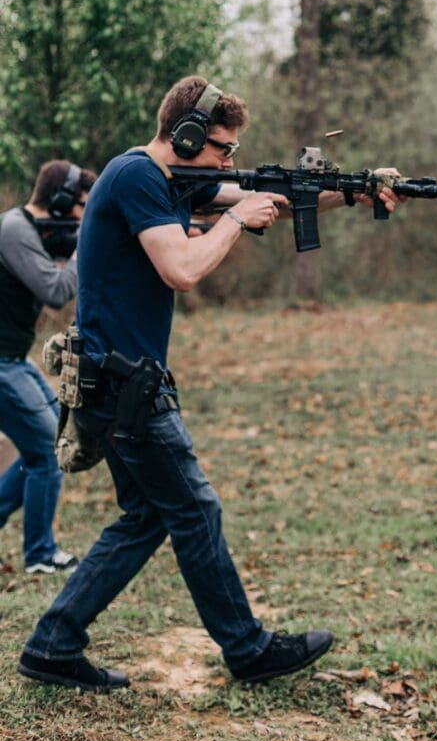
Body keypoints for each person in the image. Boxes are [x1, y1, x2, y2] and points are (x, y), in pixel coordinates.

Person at [18, 75, 402, 693]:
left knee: (146, 517)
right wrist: (234, 222)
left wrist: (354, 193)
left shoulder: (169, 182)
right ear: (187, 135)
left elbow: (268, 197)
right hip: (125, 384)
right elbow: (182, 268)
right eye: (222, 148)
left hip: (116, 379)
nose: (230, 161)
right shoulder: (137, 176)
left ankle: (53, 643)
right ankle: (247, 650)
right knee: (195, 510)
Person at [0, 160, 95, 574]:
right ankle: (40, 554)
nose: (85, 218)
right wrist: (87, 246)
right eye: (83, 208)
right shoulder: (14, 230)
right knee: (45, 451)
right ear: (59, 203)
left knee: (48, 447)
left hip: (12, 360)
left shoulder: (30, 231)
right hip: (2, 365)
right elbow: (57, 292)